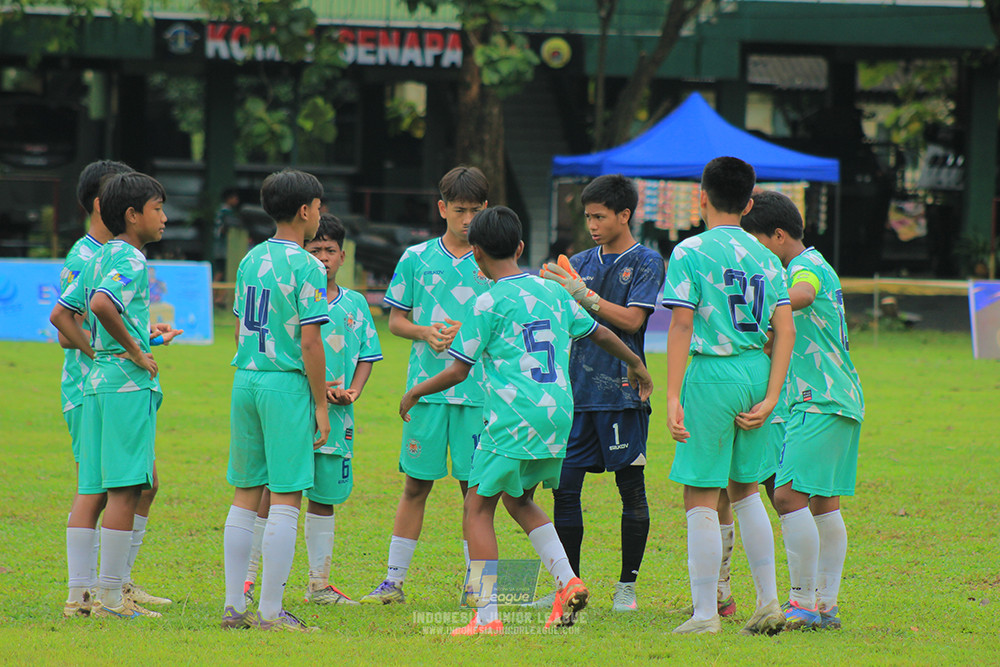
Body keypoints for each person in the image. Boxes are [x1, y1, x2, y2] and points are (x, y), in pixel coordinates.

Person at [398, 206, 655, 635]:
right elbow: (601, 333)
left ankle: (487, 618)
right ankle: (567, 579)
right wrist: (636, 364)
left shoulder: (488, 301)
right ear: (519, 247)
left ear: (476, 255)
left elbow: (459, 370)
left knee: (477, 507)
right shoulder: (552, 291)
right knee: (519, 500)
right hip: (558, 414)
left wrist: (416, 390)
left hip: (513, 416)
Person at [661, 157, 794, 636]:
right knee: (747, 490)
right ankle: (769, 601)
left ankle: (704, 615)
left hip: (712, 374)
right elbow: (785, 328)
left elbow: (679, 324)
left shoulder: (689, 251)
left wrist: (673, 394)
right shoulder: (766, 255)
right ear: (750, 202)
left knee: (700, 493)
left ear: (701, 197)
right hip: (757, 372)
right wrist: (773, 393)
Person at [361, 166, 490, 604]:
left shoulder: (492, 260)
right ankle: (393, 582)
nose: (467, 219)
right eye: (459, 210)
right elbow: (395, 320)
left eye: (475, 210)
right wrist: (426, 331)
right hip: (427, 391)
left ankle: (478, 587)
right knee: (415, 486)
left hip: (479, 393)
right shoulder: (416, 259)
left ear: (486, 209)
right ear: (442, 209)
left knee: (475, 491)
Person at [740, 190, 864, 631]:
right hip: (835, 399)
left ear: (777, 235)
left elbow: (804, 295)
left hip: (823, 400)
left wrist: (762, 307)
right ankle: (824, 605)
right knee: (823, 504)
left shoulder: (804, 266)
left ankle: (803, 603)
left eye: (754, 241)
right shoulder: (805, 263)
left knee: (788, 496)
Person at [539, 174, 664, 612]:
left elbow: (631, 322)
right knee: (563, 490)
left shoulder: (647, 261)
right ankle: (568, 585)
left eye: (599, 216)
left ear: (624, 215)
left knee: (630, 489)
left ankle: (626, 587)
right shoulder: (578, 261)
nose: (591, 224)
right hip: (574, 395)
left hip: (623, 394)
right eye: (588, 216)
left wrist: (581, 294)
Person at [50, 172, 172, 619]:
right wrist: (137, 351)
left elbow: (64, 313)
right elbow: (101, 304)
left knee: (92, 487)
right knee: (126, 490)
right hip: (124, 386)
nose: (164, 218)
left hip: (97, 380)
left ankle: (78, 596)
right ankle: (111, 599)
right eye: (158, 209)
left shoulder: (98, 257)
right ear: (132, 215)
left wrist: (136, 338)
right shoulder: (132, 259)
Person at [220, 169, 329, 632]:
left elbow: (245, 321)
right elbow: (309, 343)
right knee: (286, 497)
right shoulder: (309, 266)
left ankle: (233, 607)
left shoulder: (250, 259)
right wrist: (321, 403)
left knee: (246, 493)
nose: (321, 215)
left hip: (245, 379)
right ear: (305, 210)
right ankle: (270, 612)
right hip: (284, 385)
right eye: (319, 207)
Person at [301, 213, 383, 605]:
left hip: (337, 415)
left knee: (324, 495)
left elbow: (367, 353)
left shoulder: (355, 303)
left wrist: (354, 390)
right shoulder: (295, 296)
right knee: (272, 491)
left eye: (329, 250)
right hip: (295, 406)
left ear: (342, 255)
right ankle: (252, 581)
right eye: (314, 249)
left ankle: (319, 583)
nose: (322, 257)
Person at [213, 187, 241, 308]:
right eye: (235, 198)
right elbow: (224, 230)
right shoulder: (226, 213)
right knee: (223, 272)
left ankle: (216, 297)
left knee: (220, 272)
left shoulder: (220, 211)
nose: (237, 200)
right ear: (229, 199)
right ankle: (217, 298)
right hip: (224, 248)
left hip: (219, 247)